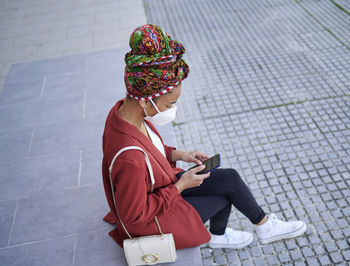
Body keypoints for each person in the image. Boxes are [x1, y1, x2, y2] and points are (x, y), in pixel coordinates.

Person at [102, 24, 306, 250]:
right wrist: (180, 186)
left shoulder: (123, 112)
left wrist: (179, 154)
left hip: (161, 188)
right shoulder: (128, 158)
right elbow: (134, 216)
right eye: (169, 104)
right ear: (143, 100)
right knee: (225, 196)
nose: (172, 108)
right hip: (152, 221)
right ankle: (220, 235)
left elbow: (148, 149)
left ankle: (264, 226)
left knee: (229, 178)